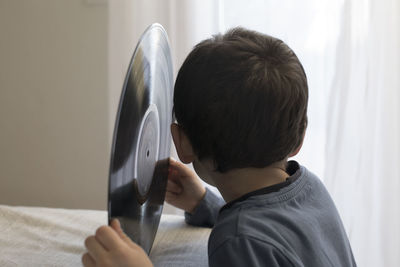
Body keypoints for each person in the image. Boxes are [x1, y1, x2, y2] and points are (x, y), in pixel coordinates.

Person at [82, 27, 357, 267]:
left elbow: (254, 239)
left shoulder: (237, 241)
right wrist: (206, 205)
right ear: (300, 138)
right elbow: (274, 235)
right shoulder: (311, 188)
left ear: (182, 143)